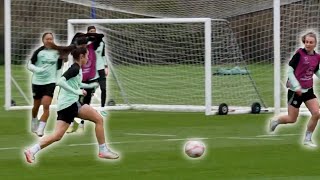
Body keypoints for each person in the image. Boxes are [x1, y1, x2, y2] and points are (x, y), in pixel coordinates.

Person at [24, 47, 119, 164]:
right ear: (81, 57)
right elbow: (60, 82)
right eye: (87, 56)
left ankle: (31, 150)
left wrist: (89, 86)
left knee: (57, 136)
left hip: (65, 106)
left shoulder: (77, 69)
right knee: (98, 119)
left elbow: (76, 83)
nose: (88, 58)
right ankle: (103, 150)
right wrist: (77, 92)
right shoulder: (74, 68)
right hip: (71, 105)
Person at [269, 32, 320, 147]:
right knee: (292, 119)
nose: (308, 44)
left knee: (317, 113)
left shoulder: (317, 57)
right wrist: (296, 86)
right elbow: (290, 71)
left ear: (315, 44)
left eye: (311, 42)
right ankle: (276, 121)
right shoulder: (299, 54)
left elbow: (315, 70)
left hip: (308, 90)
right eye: (306, 42)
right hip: (295, 91)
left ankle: (307, 139)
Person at [67, 30, 107, 133]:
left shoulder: (92, 47)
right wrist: (84, 35)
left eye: (85, 44)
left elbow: (100, 36)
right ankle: (71, 123)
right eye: (82, 44)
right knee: (74, 101)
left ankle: (81, 125)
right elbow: (75, 38)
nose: (84, 46)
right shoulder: (75, 51)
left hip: (90, 80)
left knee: (86, 103)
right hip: (78, 80)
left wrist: (89, 35)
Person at [27, 32, 65, 137]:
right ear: (43, 40)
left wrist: (57, 80)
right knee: (36, 106)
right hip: (37, 82)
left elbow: (59, 68)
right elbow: (29, 65)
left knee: (46, 105)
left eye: (51, 39)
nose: (49, 41)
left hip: (50, 82)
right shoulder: (38, 52)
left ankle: (41, 129)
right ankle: (34, 120)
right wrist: (38, 70)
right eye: (47, 39)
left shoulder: (57, 53)